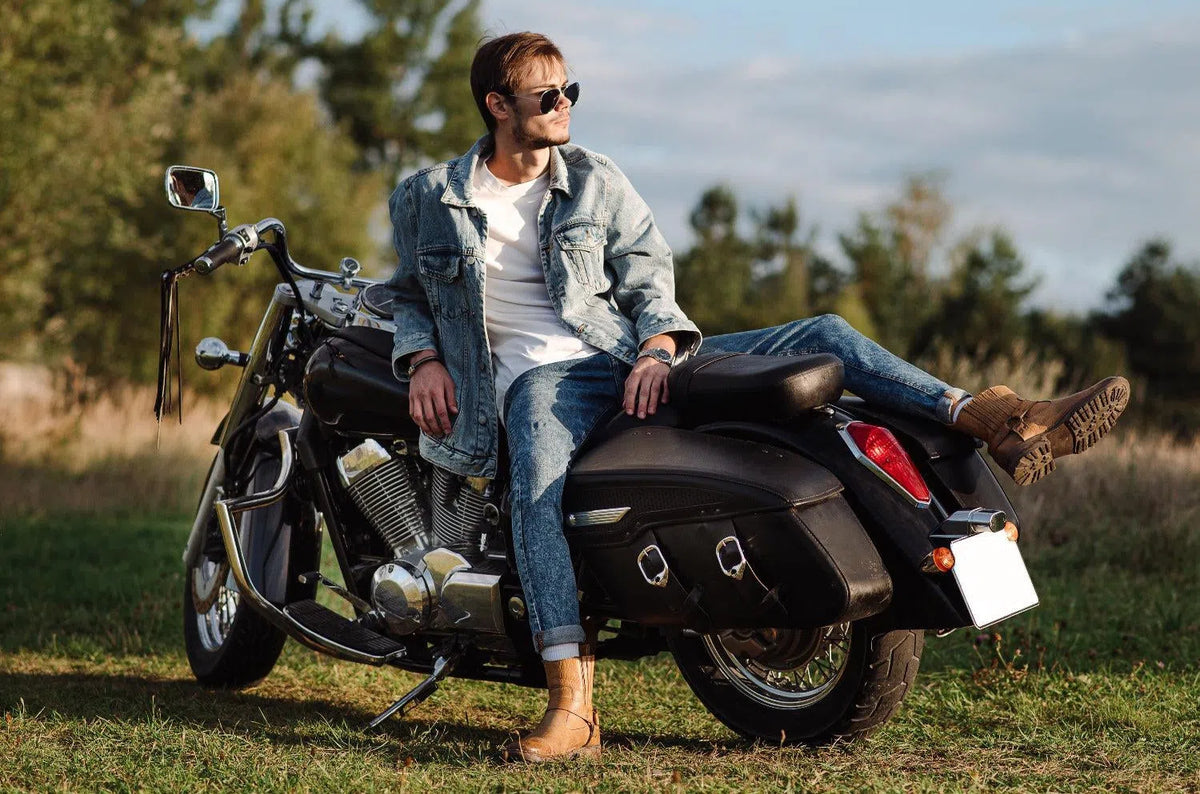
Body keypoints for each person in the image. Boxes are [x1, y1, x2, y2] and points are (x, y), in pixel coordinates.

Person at [385, 32, 1129, 762]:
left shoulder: (594, 178)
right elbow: (410, 293)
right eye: (548, 95)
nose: (565, 104)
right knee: (536, 493)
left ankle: (999, 419)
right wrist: (422, 358)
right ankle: (572, 707)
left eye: (570, 89)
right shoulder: (431, 196)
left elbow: (647, 275)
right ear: (498, 106)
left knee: (825, 332)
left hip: (623, 354)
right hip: (537, 383)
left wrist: (658, 347)